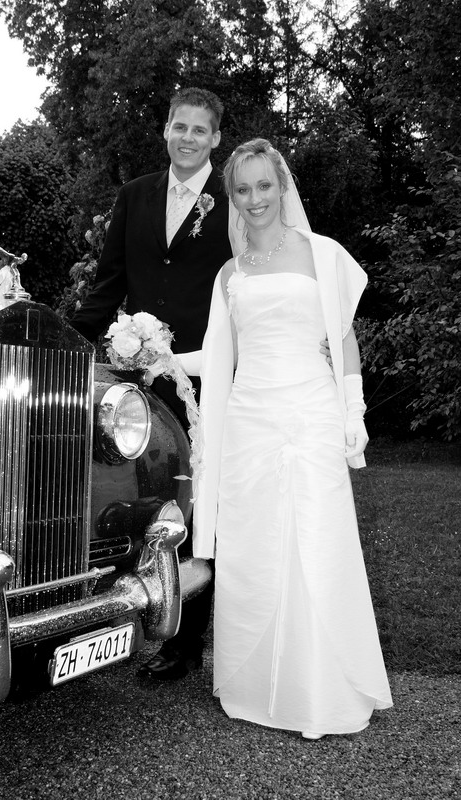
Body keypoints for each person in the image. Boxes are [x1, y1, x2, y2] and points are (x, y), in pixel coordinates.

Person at [172, 138, 393, 738]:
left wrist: (354, 412)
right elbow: (219, 355)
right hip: (250, 421)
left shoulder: (323, 254)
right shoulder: (229, 275)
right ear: (231, 197)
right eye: (242, 189)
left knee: (317, 540)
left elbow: (342, 337)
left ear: (283, 186)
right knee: (256, 548)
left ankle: (320, 691)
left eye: (264, 185)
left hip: (311, 412)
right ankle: (256, 687)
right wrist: (156, 356)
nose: (254, 199)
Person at [70, 87, 233, 680]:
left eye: (199, 129)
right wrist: (67, 340)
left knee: (197, 505)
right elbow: (109, 282)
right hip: (138, 386)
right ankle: (124, 614)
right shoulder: (134, 195)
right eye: (178, 126)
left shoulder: (233, 201)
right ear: (165, 130)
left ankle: (184, 644)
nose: (187, 138)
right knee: (143, 503)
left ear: (216, 138)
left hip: (206, 379)